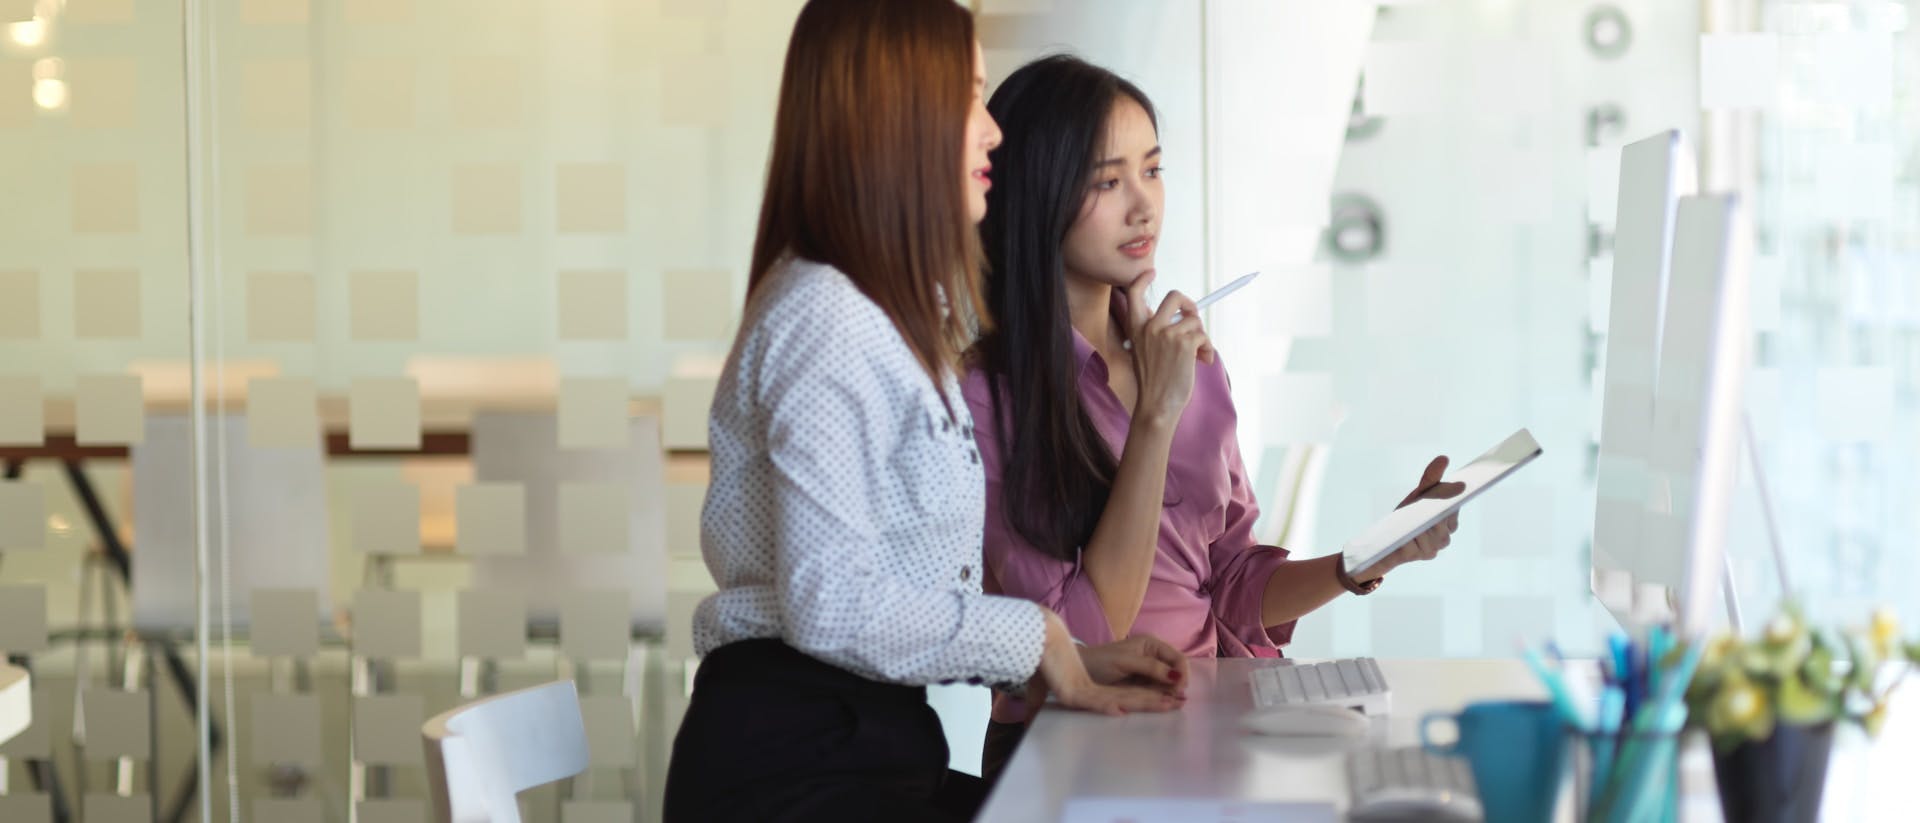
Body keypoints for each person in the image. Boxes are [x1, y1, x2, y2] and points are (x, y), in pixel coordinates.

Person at [662, 11, 1191, 822]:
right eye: (970, 96)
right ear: (896, 118)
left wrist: (1068, 655)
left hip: (864, 746)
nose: (991, 133)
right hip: (798, 772)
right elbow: (832, 602)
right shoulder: (827, 319)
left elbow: (885, 590)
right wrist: (1041, 636)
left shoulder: (880, 314)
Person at [964, 54, 1464, 781]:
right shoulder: (990, 397)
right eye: (1107, 181)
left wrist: (1365, 560)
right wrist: (1155, 419)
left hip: (1198, 722)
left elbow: (1227, 580)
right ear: (1037, 197)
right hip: (1071, 749)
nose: (1144, 206)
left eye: (1153, 169)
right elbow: (1077, 637)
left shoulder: (1190, 365)